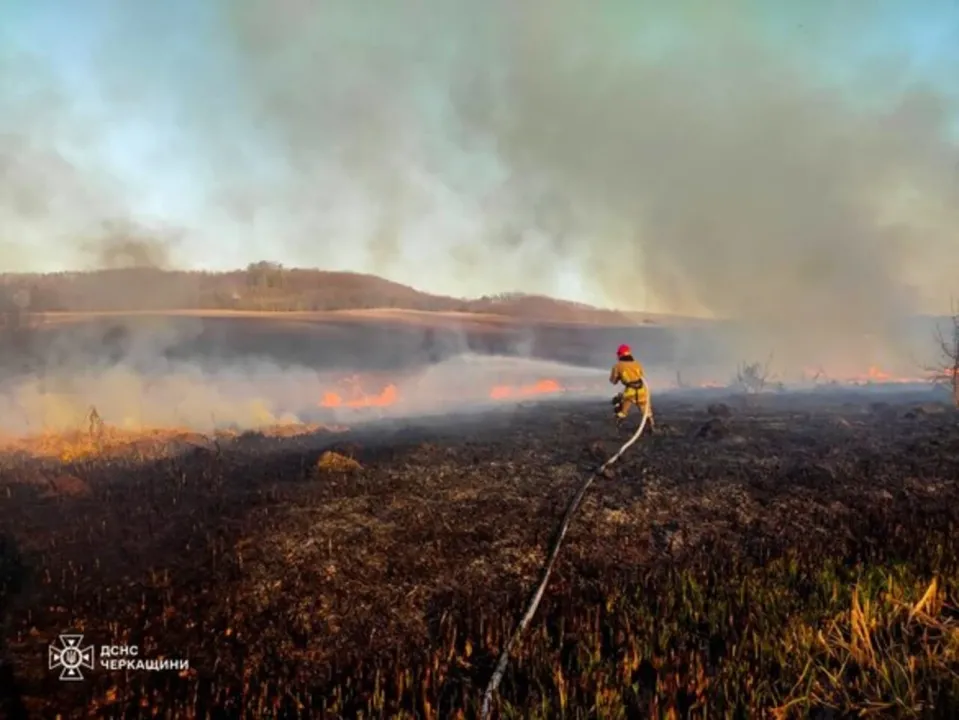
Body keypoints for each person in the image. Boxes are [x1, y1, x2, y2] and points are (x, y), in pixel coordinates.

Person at [609, 343, 655, 430]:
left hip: (629, 392)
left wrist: (619, 376)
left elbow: (613, 381)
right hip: (642, 391)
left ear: (619, 355)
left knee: (621, 410)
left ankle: (615, 427)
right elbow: (641, 376)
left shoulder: (617, 366)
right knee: (647, 412)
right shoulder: (638, 364)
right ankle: (652, 427)